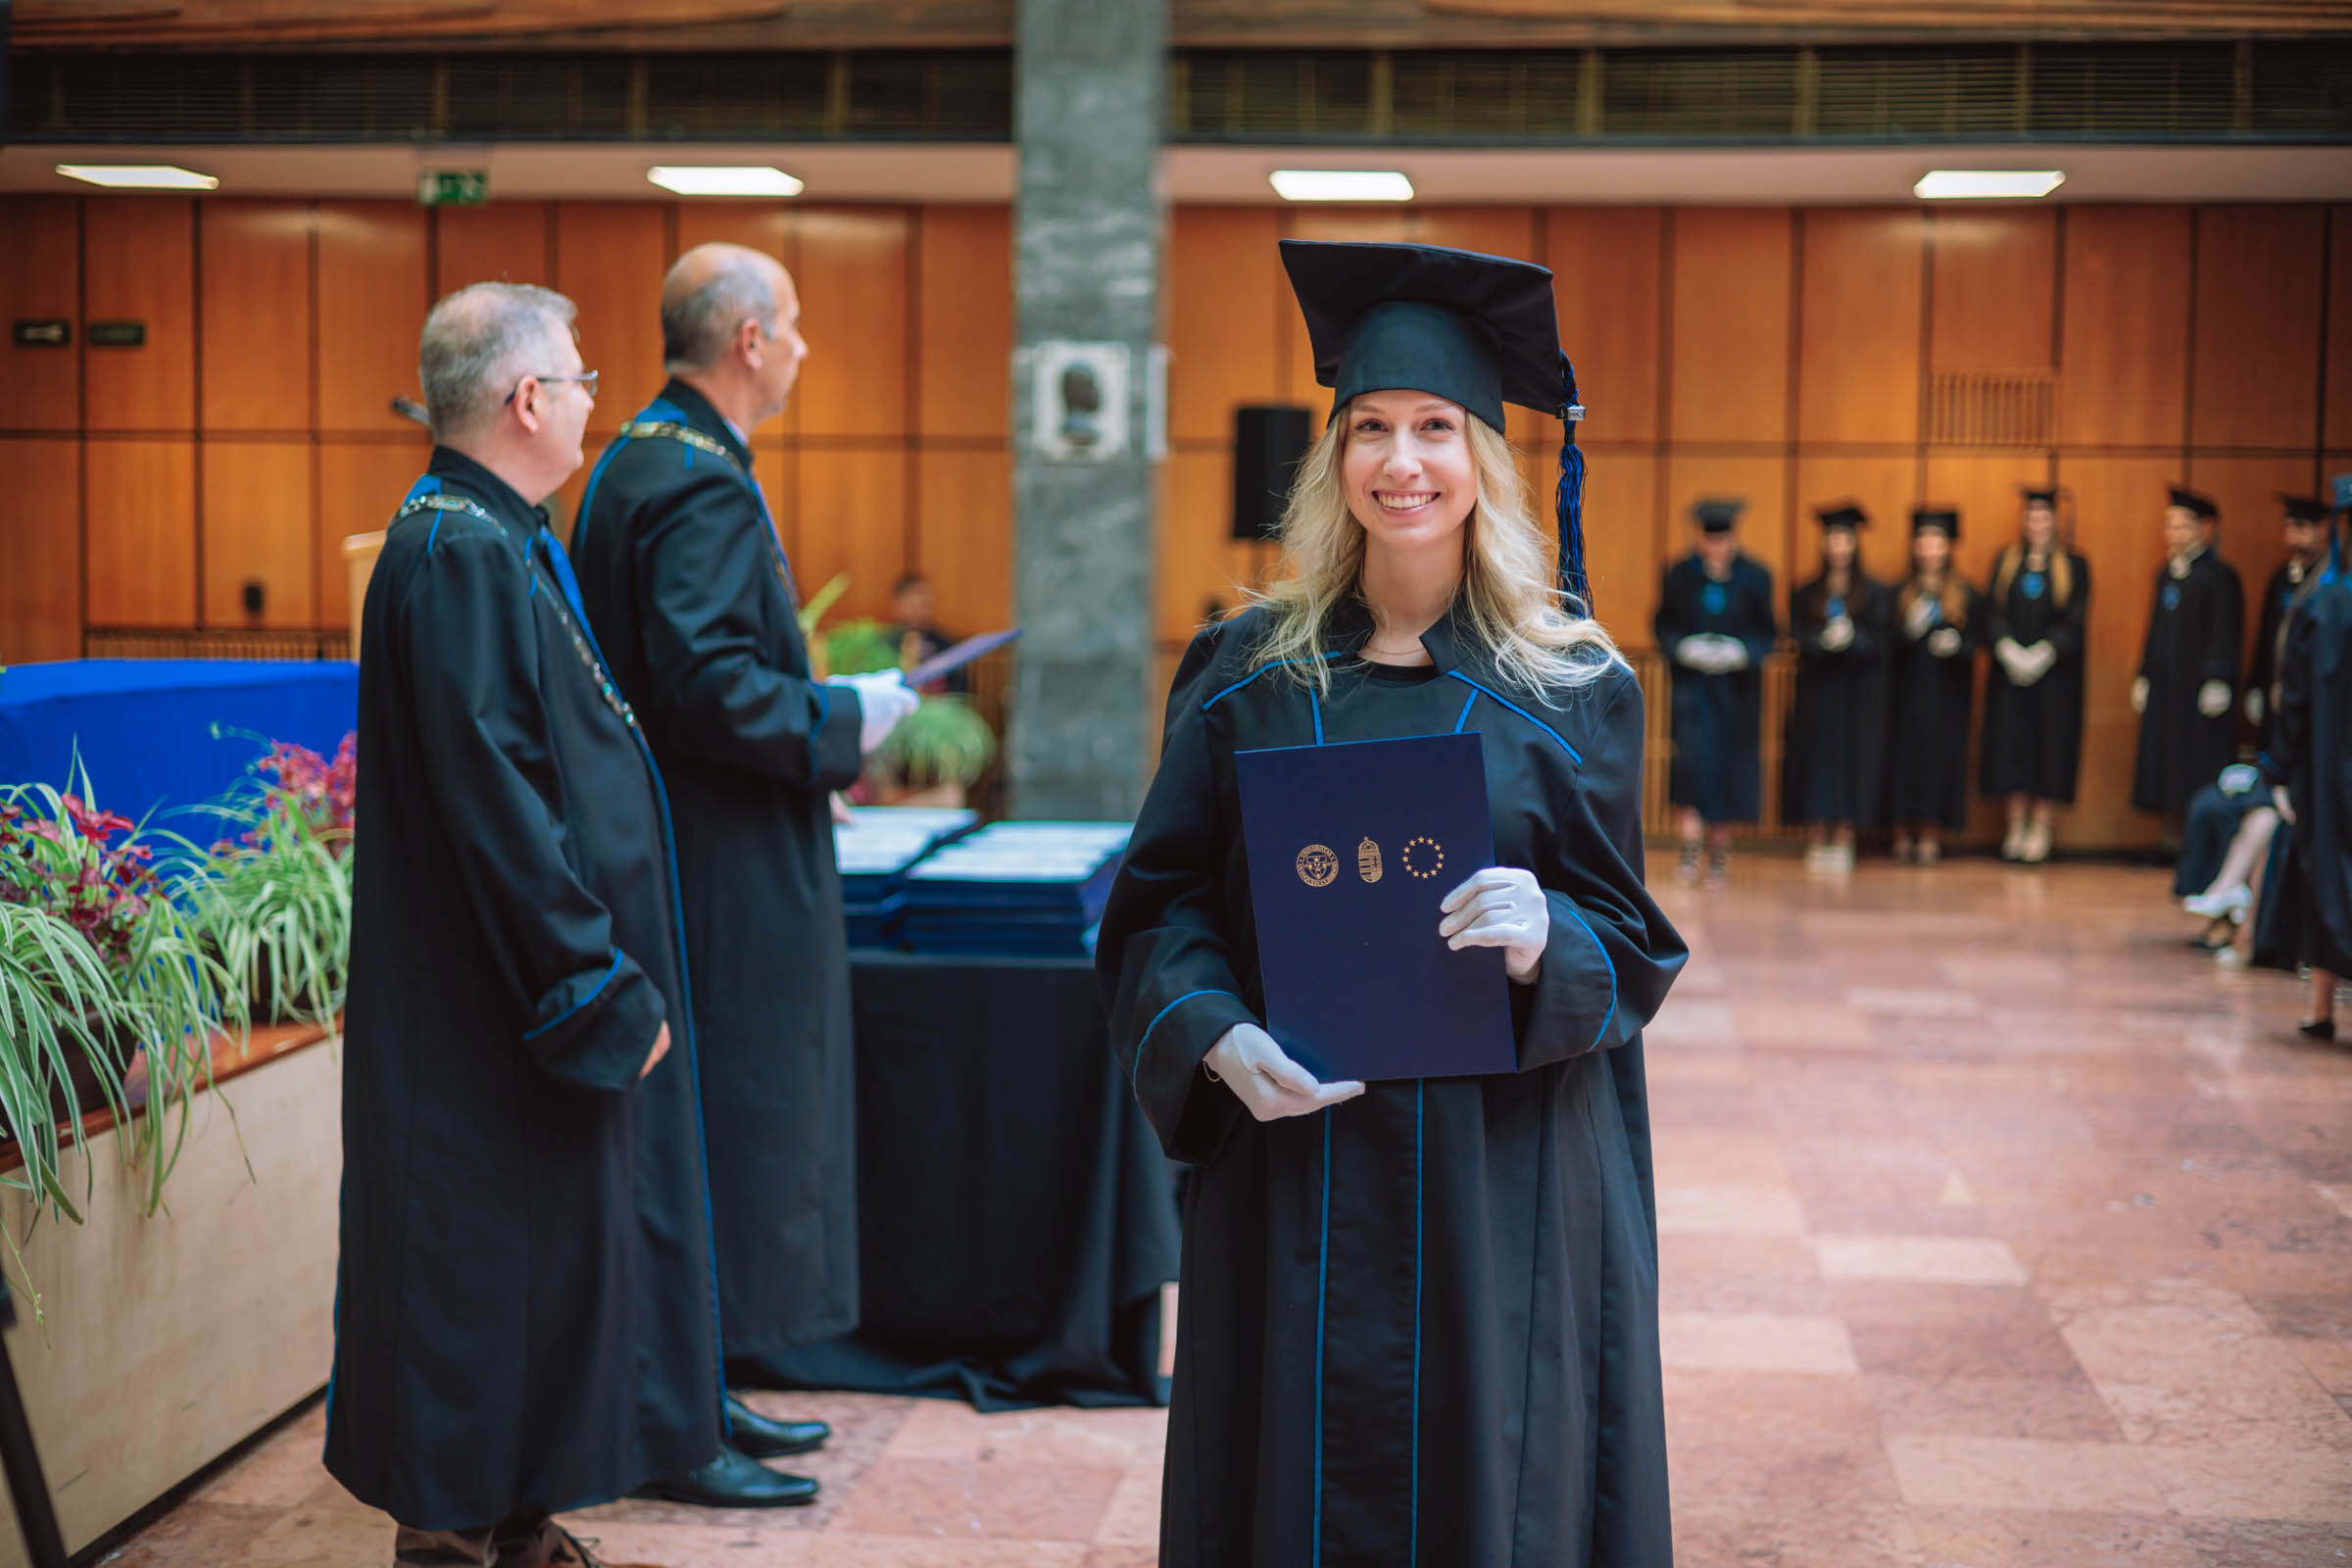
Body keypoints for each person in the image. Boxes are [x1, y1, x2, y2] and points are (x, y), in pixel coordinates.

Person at [1097, 239, 1686, 1567]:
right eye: (1369, 427)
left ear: (1485, 456)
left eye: (1435, 426)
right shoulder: (1247, 675)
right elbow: (1162, 903)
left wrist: (1546, 939)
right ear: (1334, 457)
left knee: (1495, 1479)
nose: (1401, 461)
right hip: (1298, 1162)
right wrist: (1211, 1034)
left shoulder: (1573, 688)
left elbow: (1626, 936)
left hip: (1503, 1177)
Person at [327, 282, 711, 1568]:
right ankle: (453, 1541)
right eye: (584, 379)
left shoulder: (492, 532)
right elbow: (498, 802)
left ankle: (517, 1527)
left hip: (511, 1004)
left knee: (534, 1282)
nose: (598, 400)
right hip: (492, 1010)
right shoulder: (462, 551)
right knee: (475, 1286)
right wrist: (590, 981)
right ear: (527, 398)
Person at [569, 243, 919, 1508]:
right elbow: (709, 683)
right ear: (749, 340)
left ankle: (699, 1388)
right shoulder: (697, 478)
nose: (807, 349)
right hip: (714, 870)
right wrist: (842, 719)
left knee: (700, 1134)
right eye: (798, 325)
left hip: (684, 848)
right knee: (713, 1132)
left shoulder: (645, 454)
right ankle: (679, 1423)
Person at [2262, 475, 2352, 1041]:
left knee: (2327, 872)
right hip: (2330, 761)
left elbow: (2293, 697)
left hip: (2329, 769)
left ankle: (2321, 1008)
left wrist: (2278, 766)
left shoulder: (2323, 600)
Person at [1653, 497, 1776, 887]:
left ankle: (1720, 853)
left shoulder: (1755, 577)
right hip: (1693, 692)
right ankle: (1689, 850)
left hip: (1736, 694)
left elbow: (1768, 633)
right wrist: (1684, 648)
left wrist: (1741, 652)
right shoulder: (1680, 575)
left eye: (1722, 540)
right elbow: (1663, 625)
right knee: (1690, 765)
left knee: (1730, 768)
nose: (1716, 547)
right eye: (1710, 539)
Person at [1979, 486, 2090, 863]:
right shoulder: (2006, 562)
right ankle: (2015, 826)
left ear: (2055, 521)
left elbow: (2075, 619)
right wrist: (2008, 650)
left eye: (2044, 517)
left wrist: (2044, 653)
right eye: (2031, 516)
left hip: (2055, 679)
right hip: (2010, 676)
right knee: (2012, 746)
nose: (2037, 524)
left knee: (2049, 748)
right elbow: (1992, 613)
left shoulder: (2074, 565)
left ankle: (2041, 827)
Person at [1783, 501, 1891, 875]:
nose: (1838, 546)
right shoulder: (1807, 591)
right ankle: (1817, 835)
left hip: (1857, 693)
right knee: (1817, 760)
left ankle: (1845, 837)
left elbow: (1883, 640)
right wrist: (1821, 641)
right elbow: (1796, 636)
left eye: (1844, 538)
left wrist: (1854, 639)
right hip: (1818, 690)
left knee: (1852, 760)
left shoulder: (1874, 593)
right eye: (1832, 538)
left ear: (1855, 543)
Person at [2132, 485, 2243, 830]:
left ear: (2202, 529)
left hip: (2197, 688)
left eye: (2183, 525)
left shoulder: (2219, 576)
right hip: (2166, 685)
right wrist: (2145, 674)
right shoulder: (2165, 573)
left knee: (2195, 759)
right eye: (2169, 525)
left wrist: (2218, 679)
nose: (2175, 533)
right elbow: (2154, 630)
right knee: (2163, 758)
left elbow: (2226, 630)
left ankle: (2194, 839)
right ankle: (2168, 837)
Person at [1886, 507, 1983, 865]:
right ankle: (1901, 831)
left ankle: (1930, 832)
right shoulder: (1898, 592)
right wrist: (1906, 632)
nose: (1929, 549)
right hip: (1905, 692)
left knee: (1939, 761)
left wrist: (1958, 646)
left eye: (1936, 541)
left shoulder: (1965, 594)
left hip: (1946, 694)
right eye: (1923, 541)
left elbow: (1978, 640)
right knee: (1902, 760)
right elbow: (1885, 645)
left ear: (1948, 547)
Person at [888, 572, 968, 694]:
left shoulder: (946, 644)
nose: (917, 611)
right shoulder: (884, 643)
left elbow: (959, 687)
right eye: (912, 604)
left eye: (924, 604)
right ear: (896, 605)